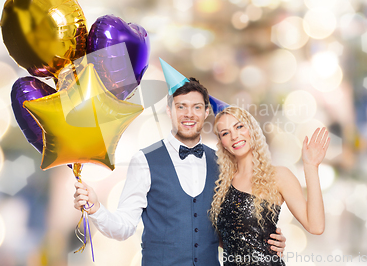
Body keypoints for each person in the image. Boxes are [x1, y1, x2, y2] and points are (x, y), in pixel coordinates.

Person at [73, 78, 287, 265]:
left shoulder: (224, 165)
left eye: (196, 107)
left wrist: (266, 238)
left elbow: (233, 225)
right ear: (169, 111)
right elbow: (124, 227)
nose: (188, 114)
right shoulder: (144, 160)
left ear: (206, 112)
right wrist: (96, 209)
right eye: (181, 107)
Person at [210, 106, 329, 265]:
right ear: (222, 143)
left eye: (239, 126)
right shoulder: (222, 184)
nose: (234, 136)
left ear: (252, 129)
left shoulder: (279, 176)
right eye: (225, 133)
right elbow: (225, 237)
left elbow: (316, 226)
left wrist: (311, 166)